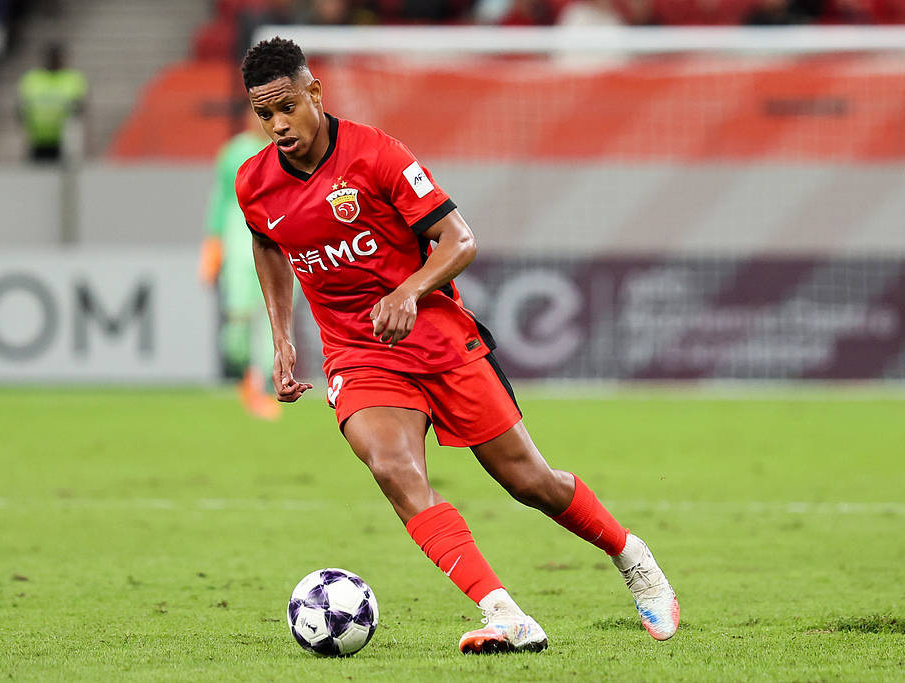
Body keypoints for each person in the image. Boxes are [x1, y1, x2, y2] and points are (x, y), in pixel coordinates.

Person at [235, 37, 679, 654]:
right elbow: (267, 242)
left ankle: (633, 558)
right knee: (393, 468)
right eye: (265, 114)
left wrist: (408, 291)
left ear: (315, 92)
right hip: (359, 352)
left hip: (438, 339)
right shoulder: (254, 182)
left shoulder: (378, 154)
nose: (278, 125)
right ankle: (506, 615)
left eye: (287, 107)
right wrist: (282, 336)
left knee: (529, 481)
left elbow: (460, 240)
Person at [200, 105, 279, 421]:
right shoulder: (234, 153)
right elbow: (220, 200)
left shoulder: (285, 151)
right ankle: (246, 375)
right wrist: (212, 246)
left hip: (278, 247)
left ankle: (260, 386)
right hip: (239, 245)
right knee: (238, 321)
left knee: (274, 320)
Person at [17, 42, 87, 163]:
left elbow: (81, 109)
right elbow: (21, 109)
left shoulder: (73, 79)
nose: (54, 61)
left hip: (64, 142)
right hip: (37, 140)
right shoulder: (32, 79)